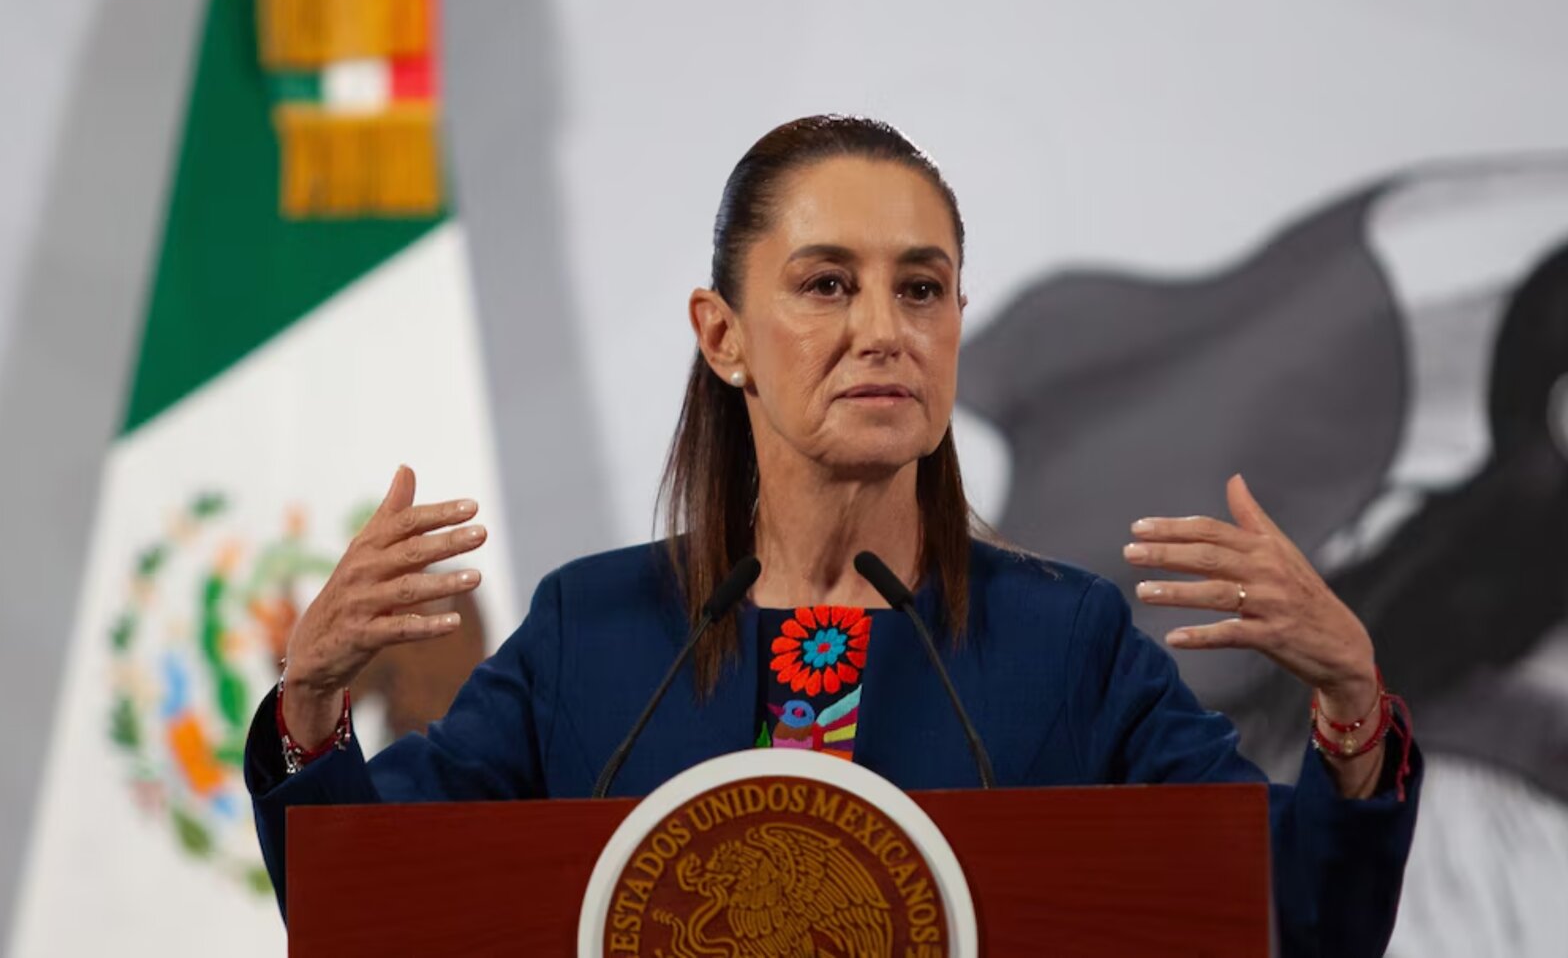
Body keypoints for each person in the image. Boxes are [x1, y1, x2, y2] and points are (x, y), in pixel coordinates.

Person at [246, 115, 1422, 956]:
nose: (883, 329)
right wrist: (309, 708)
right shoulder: (590, 632)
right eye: (825, 284)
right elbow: (376, 911)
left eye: (921, 288)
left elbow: (1290, 921)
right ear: (723, 335)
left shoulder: (1066, 641)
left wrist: (1350, 710)